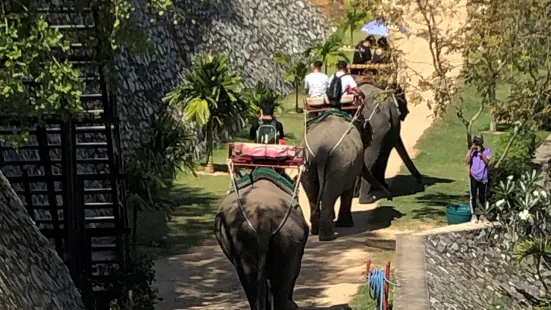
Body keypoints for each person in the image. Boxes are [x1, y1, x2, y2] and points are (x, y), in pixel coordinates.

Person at [466, 134, 492, 223]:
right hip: (473, 176)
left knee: (482, 197)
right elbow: (467, 161)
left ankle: (482, 215)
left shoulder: (487, 151)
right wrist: (471, 151)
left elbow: (487, 161)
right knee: (473, 196)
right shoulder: (472, 152)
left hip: (483, 177)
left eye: (478, 143)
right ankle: (473, 215)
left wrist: (481, 152)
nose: (477, 145)